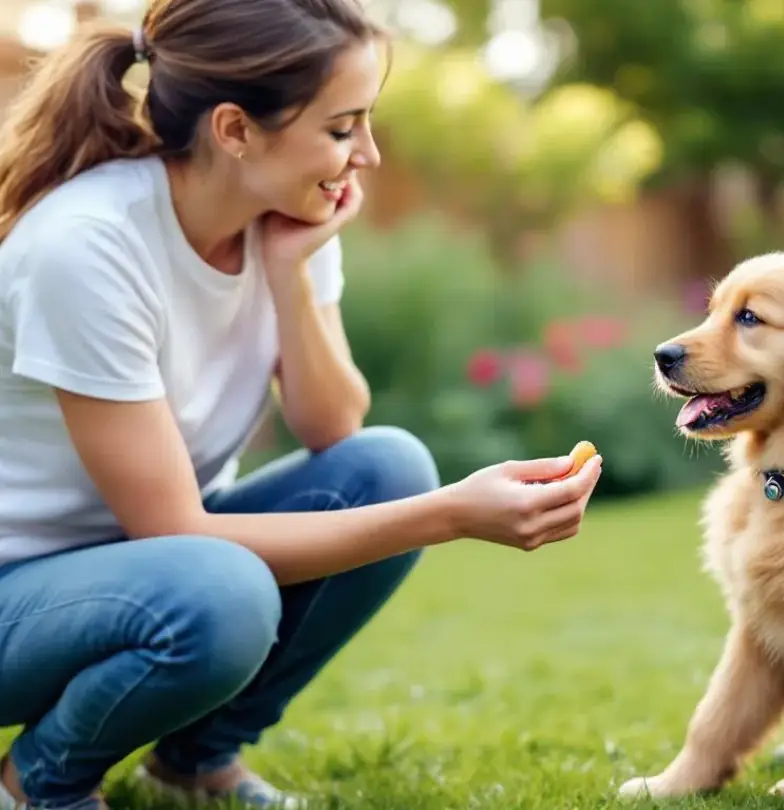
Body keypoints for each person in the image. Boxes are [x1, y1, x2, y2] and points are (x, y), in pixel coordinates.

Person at [0, 1, 604, 808]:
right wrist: (451, 515)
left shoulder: (282, 216)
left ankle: (195, 762)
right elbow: (175, 532)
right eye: (343, 127)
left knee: (388, 465)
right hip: (21, 592)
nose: (370, 154)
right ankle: (41, 785)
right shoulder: (90, 244)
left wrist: (289, 276)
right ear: (235, 129)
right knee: (221, 592)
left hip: (134, 569)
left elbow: (332, 428)